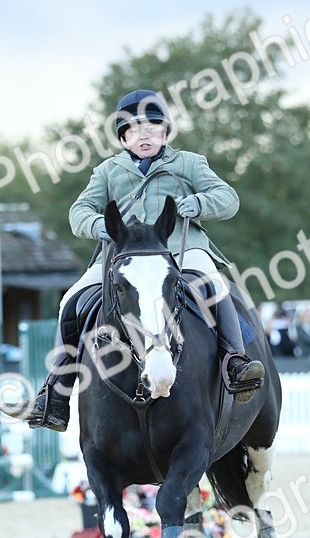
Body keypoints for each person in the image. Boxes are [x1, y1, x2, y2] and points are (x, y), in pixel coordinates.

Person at [20, 90, 265, 431]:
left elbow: (228, 197)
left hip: (180, 249)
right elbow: (78, 212)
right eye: (134, 129)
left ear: (166, 132)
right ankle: (57, 393)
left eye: (152, 126)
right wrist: (101, 227)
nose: (144, 134)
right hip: (124, 257)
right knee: (70, 300)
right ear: (123, 138)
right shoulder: (107, 172)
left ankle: (236, 362)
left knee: (214, 285)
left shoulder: (189, 163)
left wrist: (198, 203)